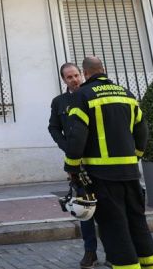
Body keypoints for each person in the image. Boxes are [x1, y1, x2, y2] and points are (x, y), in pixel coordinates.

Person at [64, 57, 153, 269]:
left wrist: (71, 167)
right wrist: (135, 155)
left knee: (113, 226)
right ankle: (152, 265)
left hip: (102, 175)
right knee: (137, 222)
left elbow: (76, 136)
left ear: (86, 74)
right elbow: (142, 129)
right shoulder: (126, 94)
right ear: (103, 70)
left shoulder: (82, 96)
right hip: (130, 172)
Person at [49, 62, 100, 269]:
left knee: (107, 209)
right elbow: (53, 128)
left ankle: (115, 250)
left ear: (82, 74)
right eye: (69, 77)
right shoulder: (59, 102)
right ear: (64, 80)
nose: (74, 80)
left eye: (76, 75)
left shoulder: (92, 95)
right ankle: (90, 252)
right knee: (84, 210)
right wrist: (68, 148)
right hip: (76, 163)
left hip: (99, 160)